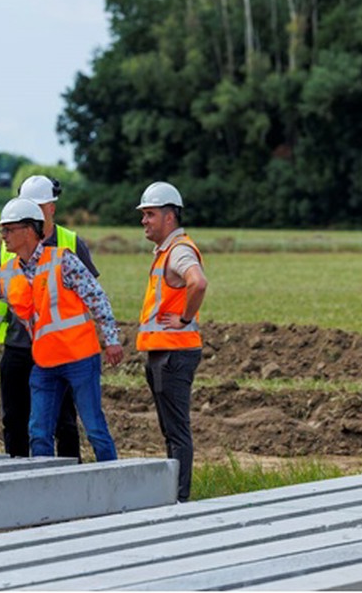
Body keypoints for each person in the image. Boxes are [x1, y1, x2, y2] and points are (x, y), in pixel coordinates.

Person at [0, 198, 124, 462]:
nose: (2, 236)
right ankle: (45, 489)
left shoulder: (64, 261)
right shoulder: (7, 273)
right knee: (38, 432)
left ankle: (114, 485)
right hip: (45, 363)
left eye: (8, 229)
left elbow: (98, 299)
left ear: (28, 230)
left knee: (94, 429)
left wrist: (112, 340)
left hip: (80, 359)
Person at [0, 175, 100, 460]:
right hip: (18, 346)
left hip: (60, 350)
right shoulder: (8, 244)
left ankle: (66, 478)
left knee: (63, 421)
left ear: (52, 208)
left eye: (39, 206)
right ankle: (19, 476)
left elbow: (92, 298)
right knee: (15, 418)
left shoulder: (71, 243)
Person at [135, 181, 209, 502]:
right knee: (171, 431)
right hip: (163, 351)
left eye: (150, 214)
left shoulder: (178, 251)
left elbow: (199, 282)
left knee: (177, 432)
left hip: (174, 353)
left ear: (169, 217)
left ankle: (179, 499)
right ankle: (174, 496)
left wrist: (184, 317)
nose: (144, 221)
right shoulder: (167, 251)